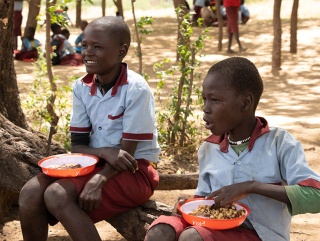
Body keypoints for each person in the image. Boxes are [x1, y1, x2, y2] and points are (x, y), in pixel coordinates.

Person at [145, 57, 320, 241]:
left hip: (262, 235)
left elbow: (316, 196)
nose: (206, 109)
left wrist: (251, 187)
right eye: (204, 99)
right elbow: (206, 203)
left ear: (245, 103)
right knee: (160, 232)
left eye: (215, 100)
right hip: (216, 228)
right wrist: (188, 206)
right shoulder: (209, 148)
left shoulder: (279, 143)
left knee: (192, 238)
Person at [19, 16, 161, 241]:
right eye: (84, 46)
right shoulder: (82, 87)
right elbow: (78, 145)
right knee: (30, 192)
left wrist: (99, 179)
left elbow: (126, 156)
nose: (87, 52)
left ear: (121, 51)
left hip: (134, 171)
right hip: (92, 164)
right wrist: (104, 152)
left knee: (56, 195)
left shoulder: (135, 89)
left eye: (97, 47)